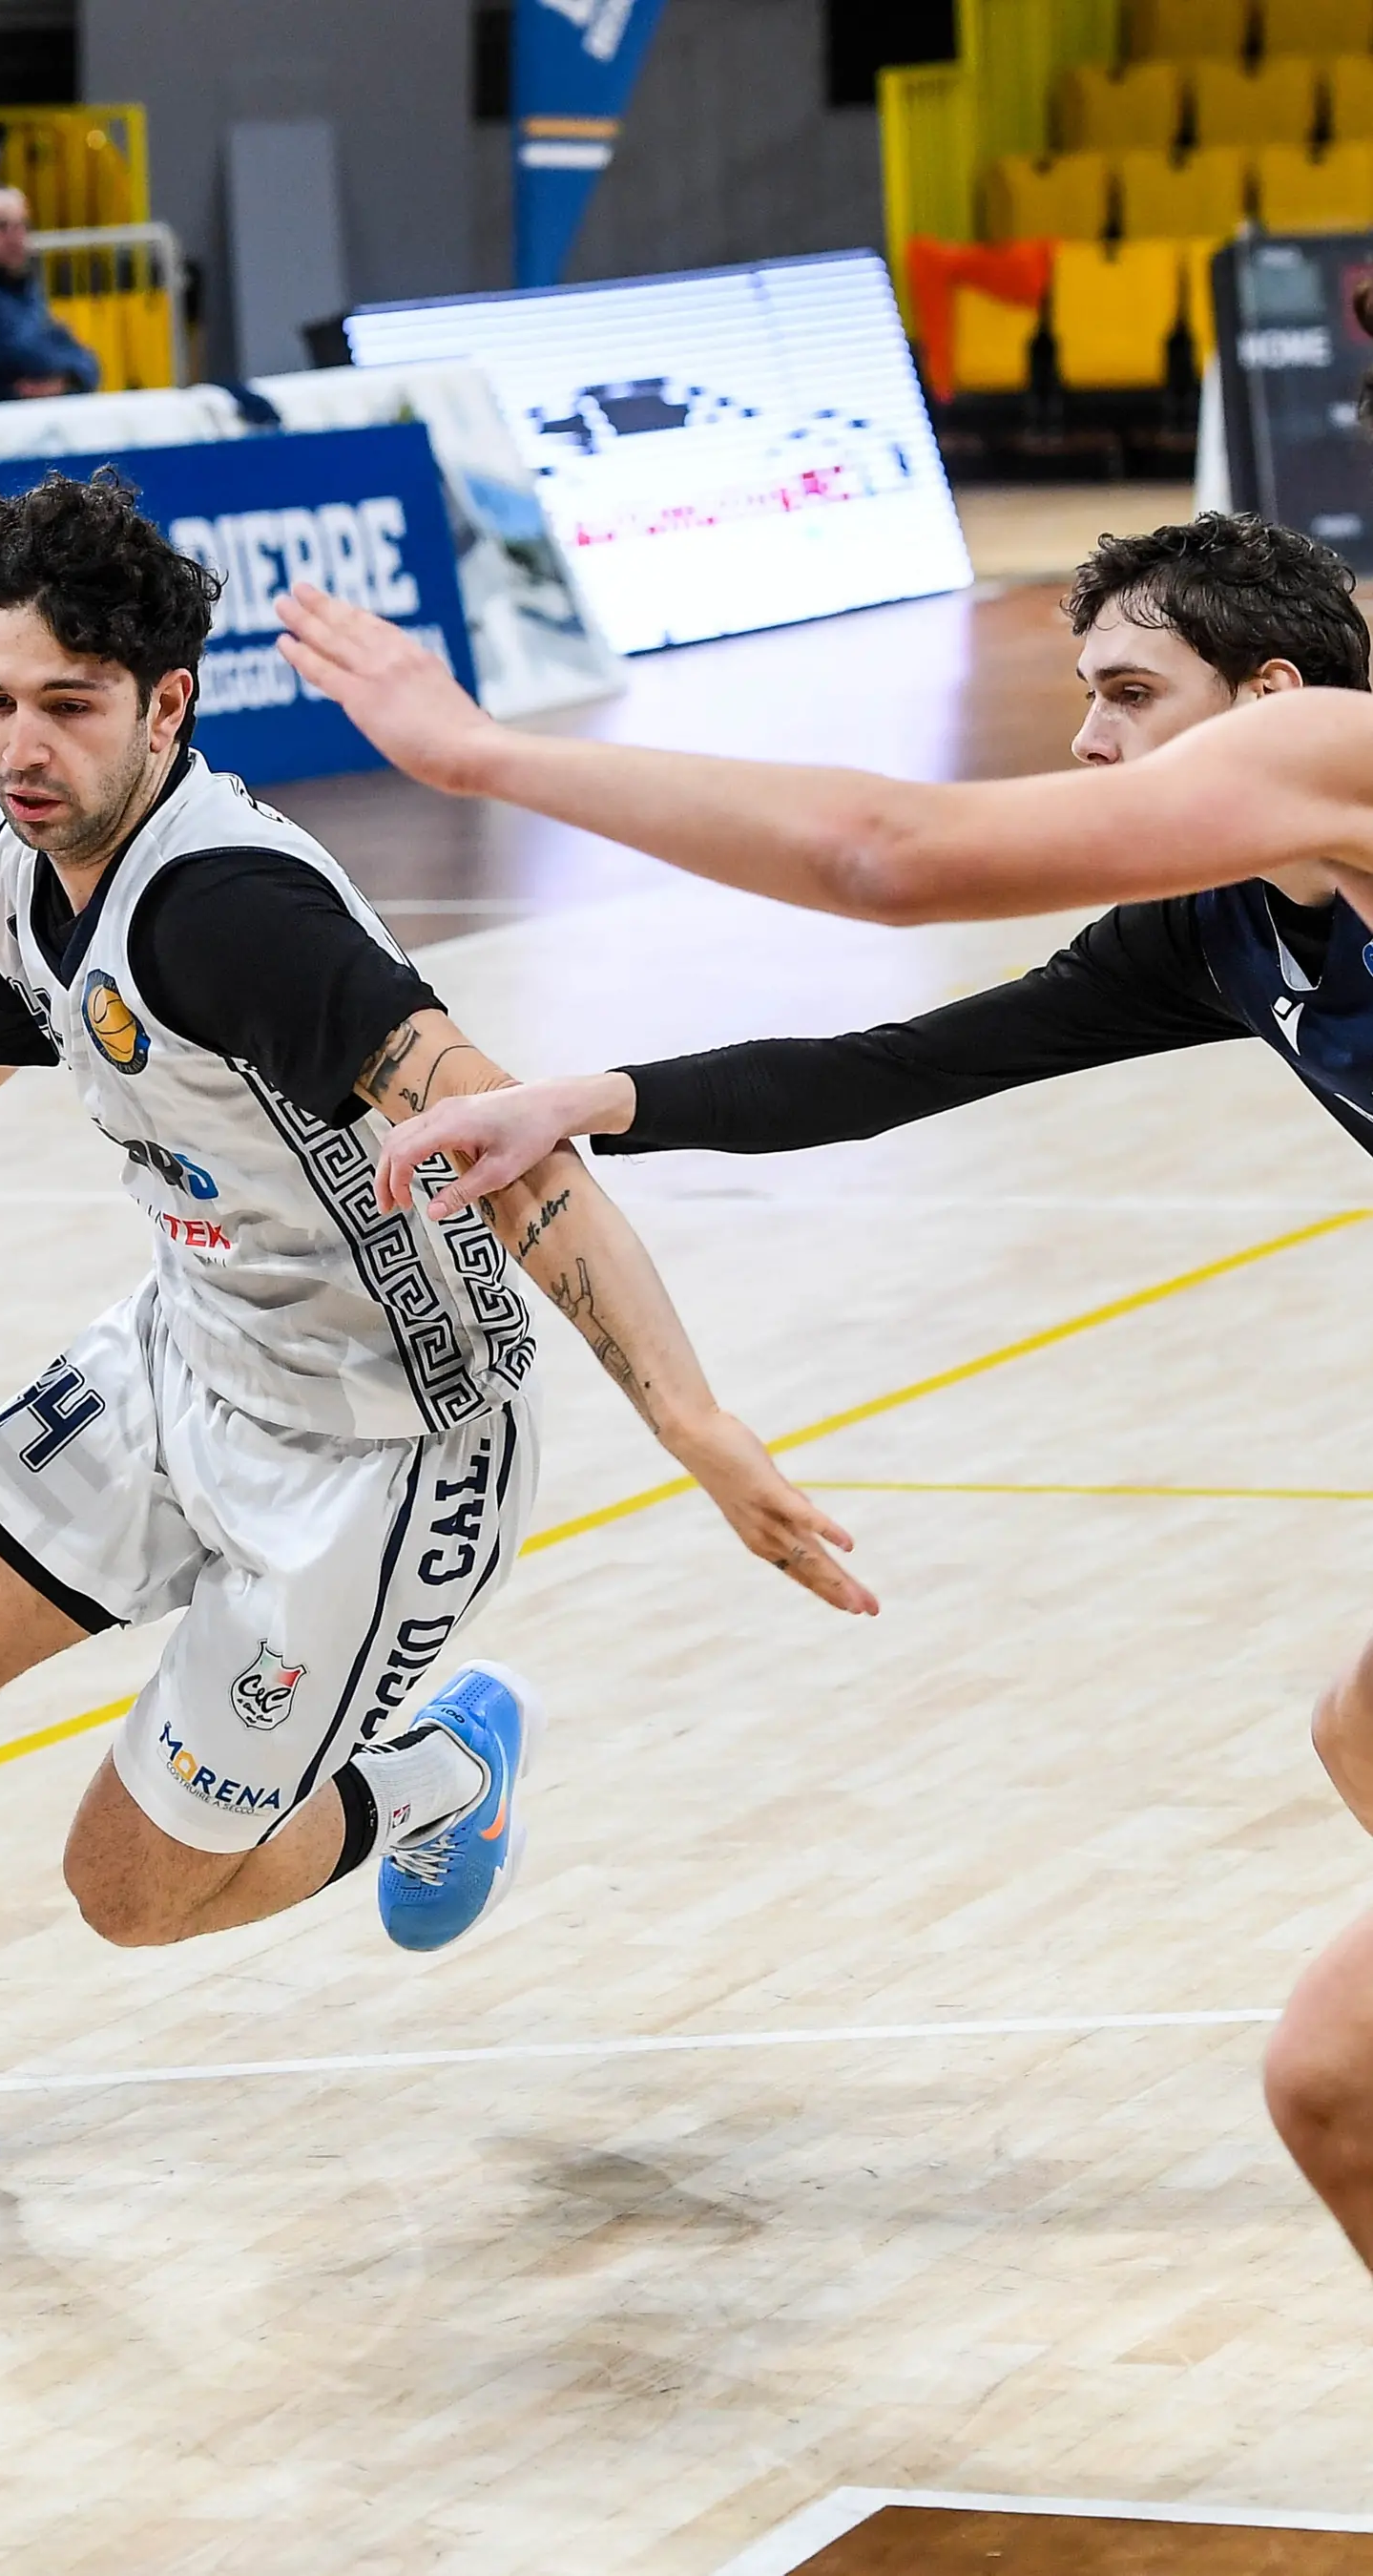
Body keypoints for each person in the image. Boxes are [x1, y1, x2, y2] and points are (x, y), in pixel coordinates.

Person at [0, 471, 872, 2225]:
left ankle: (431, 1766)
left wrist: (688, 1414)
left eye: (66, 708)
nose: (20, 746)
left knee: (132, 1891)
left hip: (384, 1444)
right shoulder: (20, 874)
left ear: (165, 704)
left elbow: (505, 1135)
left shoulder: (233, 910)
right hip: (185, 1350)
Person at [274, 520, 1373, 2284]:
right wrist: (590, 1096)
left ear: (1267, 699)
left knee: (1331, 2083)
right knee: (1357, 1734)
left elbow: (882, 852)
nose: (1085, 743)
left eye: (1125, 696)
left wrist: (478, 755)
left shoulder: (1340, 754)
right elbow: (901, 1064)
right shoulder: (1222, 925)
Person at [0, 186, 102, 405]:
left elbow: (88, 363)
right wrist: (68, 372)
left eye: (22, 226)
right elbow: (20, 353)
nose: (15, 238)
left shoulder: (24, 288)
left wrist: (68, 378)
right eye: (1, 227)